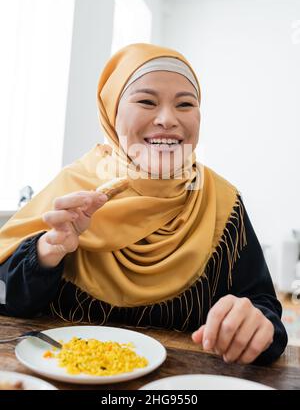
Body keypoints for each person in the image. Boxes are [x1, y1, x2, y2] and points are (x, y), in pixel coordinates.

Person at [0, 43, 287, 365]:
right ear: (112, 113)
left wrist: (258, 323)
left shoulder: (223, 202)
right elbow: (14, 306)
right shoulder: (70, 190)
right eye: (146, 101)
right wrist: (47, 253)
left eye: (185, 104)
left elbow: (264, 310)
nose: (167, 119)